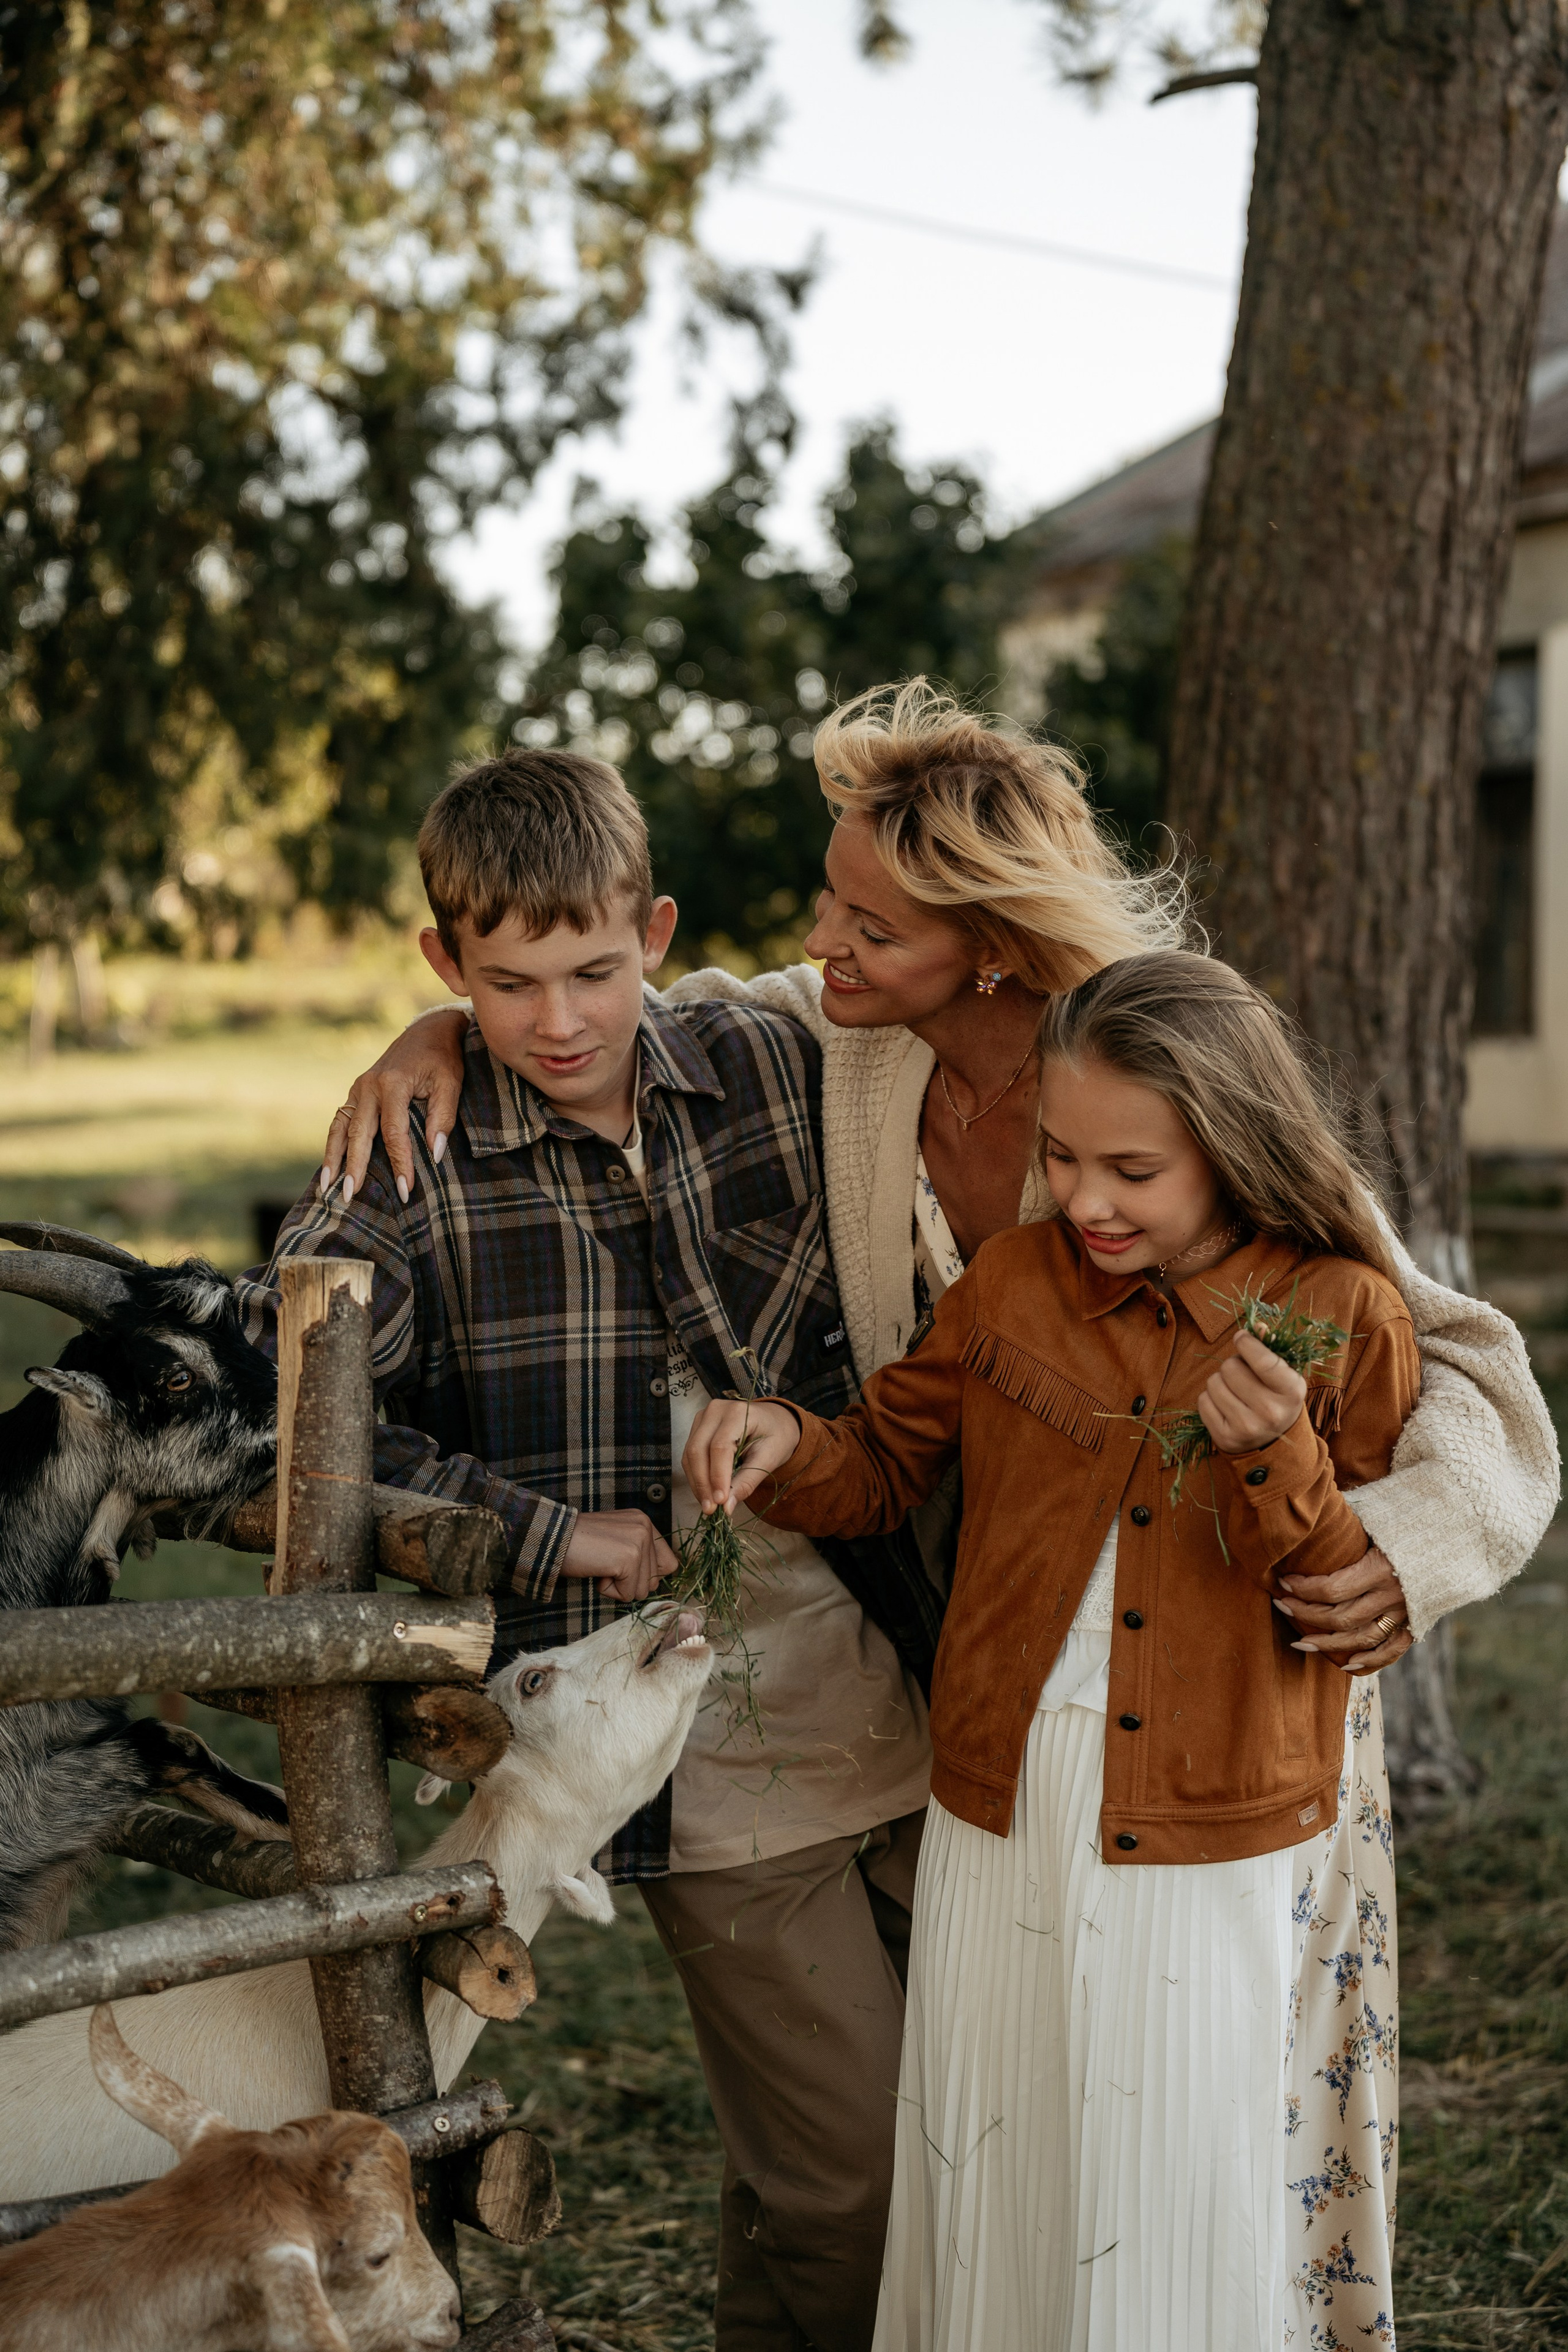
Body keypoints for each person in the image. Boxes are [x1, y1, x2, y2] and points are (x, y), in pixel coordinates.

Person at [323, 682, 1557, 2334]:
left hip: (1199, 1693)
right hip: (970, 1683)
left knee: (1141, 2118)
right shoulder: (837, 1045)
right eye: (830, 900)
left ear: (984, 938)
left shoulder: (1150, 1065)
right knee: (928, 2142)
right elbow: (616, 997)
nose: (822, 937)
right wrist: (445, 1036)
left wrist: (1401, 1555)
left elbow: (1422, 1338)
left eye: (866, 917)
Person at [240, 745, 951, 2352]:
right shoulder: (402, 1171)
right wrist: (550, 1533)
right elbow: (300, 1425)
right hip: (695, 1750)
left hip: (909, 1671)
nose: (558, 1022)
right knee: (856, 2180)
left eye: (597, 971)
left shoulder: (769, 1063)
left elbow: (957, 982)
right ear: (442, 965)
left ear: (659, 929)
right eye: (504, 984)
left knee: (856, 2158)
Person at [679, 950, 1430, 2346]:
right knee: (1006, 2157)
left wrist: (1280, 1463)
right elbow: (883, 1462)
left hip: (1215, 1825)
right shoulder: (1010, 1284)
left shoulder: (1345, 1314)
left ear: (1232, 1144)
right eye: (1062, 1156)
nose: (1082, 1199)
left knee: (1172, 2172)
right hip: (1004, 1800)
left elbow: (1342, 1605)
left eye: (1129, 1171)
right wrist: (787, 1441)